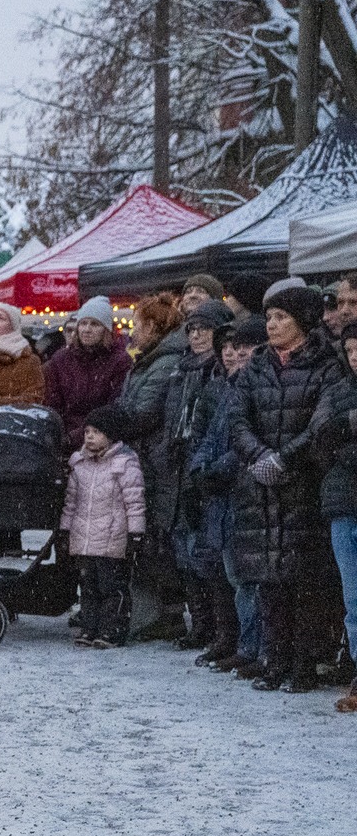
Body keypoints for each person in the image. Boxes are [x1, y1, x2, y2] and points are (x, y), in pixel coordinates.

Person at [228, 284, 337, 691]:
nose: (272, 325)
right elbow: (236, 421)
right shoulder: (255, 367)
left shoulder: (326, 365)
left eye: (281, 318)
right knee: (269, 580)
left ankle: (303, 665)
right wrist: (258, 458)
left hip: (303, 485)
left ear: (303, 322)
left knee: (304, 580)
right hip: (259, 486)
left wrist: (284, 459)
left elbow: (320, 425)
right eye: (269, 317)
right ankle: (275, 660)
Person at [189, 317, 268, 675]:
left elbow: (246, 439)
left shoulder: (256, 385)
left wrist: (218, 467)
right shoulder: (226, 387)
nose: (235, 353)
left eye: (243, 347)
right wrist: (201, 467)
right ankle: (242, 644)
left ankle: (257, 648)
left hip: (246, 491)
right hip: (222, 495)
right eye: (231, 348)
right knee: (232, 577)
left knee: (250, 580)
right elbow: (208, 435)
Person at [163, 301, 240, 656]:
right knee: (186, 549)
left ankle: (220, 630)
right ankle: (203, 624)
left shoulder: (220, 374)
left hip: (209, 470)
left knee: (208, 552)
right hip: (182, 465)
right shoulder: (182, 369)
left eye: (203, 329)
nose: (196, 335)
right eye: (191, 329)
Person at [113, 292, 190, 636]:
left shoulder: (163, 362)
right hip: (147, 459)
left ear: (154, 327)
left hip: (155, 461)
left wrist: (110, 422)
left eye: (138, 325)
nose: (132, 332)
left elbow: (142, 412)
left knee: (154, 543)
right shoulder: (151, 359)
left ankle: (162, 617)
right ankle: (158, 615)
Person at [60, 406, 147, 648]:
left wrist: (136, 533)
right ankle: (90, 627)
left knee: (112, 586)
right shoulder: (79, 463)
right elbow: (71, 502)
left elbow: (135, 502)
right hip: (85, 537)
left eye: (96, 432)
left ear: (110, 435)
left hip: (112, 537)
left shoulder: (124, 464)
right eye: (87, 431)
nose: (89, 436)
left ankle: (113, 628)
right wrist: (65, 530)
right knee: (88, 586)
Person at [312, 322, 357, 711]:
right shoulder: (338, 391)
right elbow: (320, 439)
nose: (355, 355)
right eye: (351, 348)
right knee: (354, 599)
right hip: (344, 502)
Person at [45, 297, 132, 448]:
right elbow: (53, 403)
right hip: (63, 436)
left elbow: (113, 407)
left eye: (95, 324)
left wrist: (79, 436)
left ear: (106, 330)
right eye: (83, 323)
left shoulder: (120, 361)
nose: (87, 329)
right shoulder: (61, 359)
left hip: (102, 438)